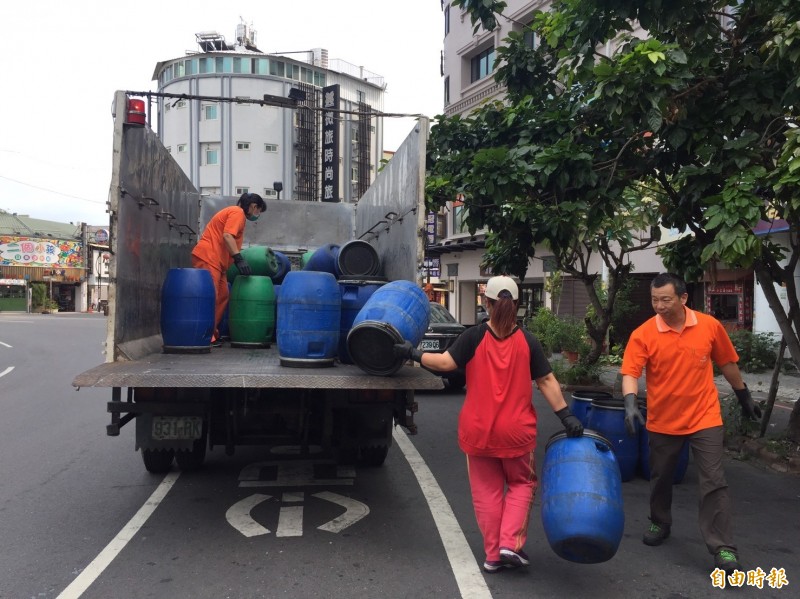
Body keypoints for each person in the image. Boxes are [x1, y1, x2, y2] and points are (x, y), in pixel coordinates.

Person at [393, 275, 584, 573]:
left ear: (486, 303)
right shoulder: (528, 341)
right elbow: (546, 380)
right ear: (517, 305)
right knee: (522, 484)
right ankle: (510, 543)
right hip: (516, 433)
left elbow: (445, 364)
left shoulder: (473, 336)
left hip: (478, 432)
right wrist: (566, 415)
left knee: (487, 492)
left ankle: (493, 555)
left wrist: (411, 353)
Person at [620, 273, 762, 575]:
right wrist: (630, 403)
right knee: (661, 477)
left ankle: (723, 546)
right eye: (654, 299)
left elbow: (726, 362)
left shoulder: (709, 326)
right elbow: (631, 371)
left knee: (713, 479)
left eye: (665, 300)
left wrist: (743, 395)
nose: (658, 306)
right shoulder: (643, 333)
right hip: (663, 419)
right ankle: (660, 520)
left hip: (704, 416)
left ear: (683, 298)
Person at [191, 192, 266, 346]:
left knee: (223, 295)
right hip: (209, 257)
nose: (257, 215)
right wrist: (239, 258)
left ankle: (211, 332)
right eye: (258, 211)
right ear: (253, 206)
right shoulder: (237, 212)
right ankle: (202, 335)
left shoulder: (234, 213)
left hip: (218, 262)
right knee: (211, 297)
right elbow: (227, 236)